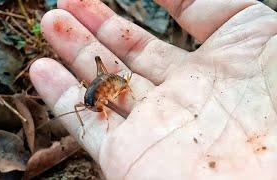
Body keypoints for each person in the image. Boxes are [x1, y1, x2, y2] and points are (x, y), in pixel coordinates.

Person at [29, 0, 277, 179]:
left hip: (111, 84)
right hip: (102, 87)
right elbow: (89, 102)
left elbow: (101, 100)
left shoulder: (106, 93)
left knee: (107, 88)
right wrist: (86, 122)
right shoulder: (89, 101)